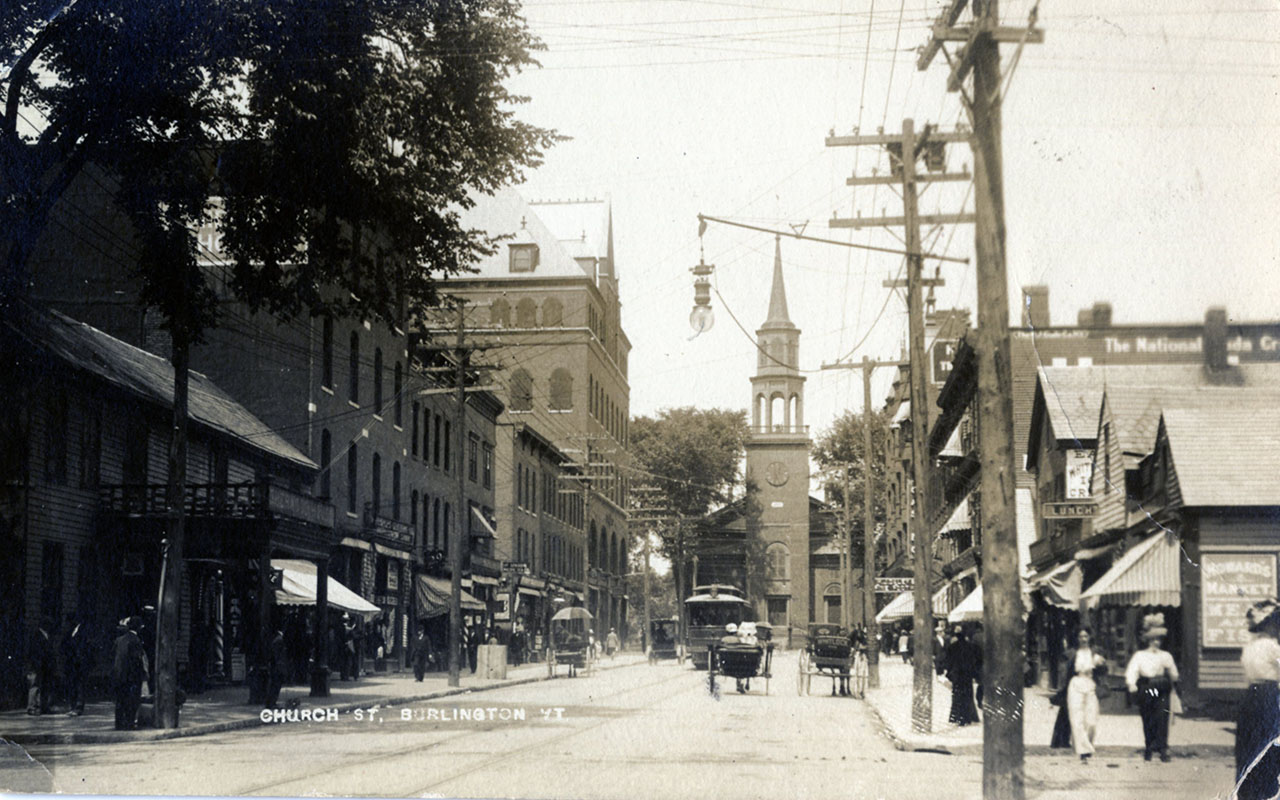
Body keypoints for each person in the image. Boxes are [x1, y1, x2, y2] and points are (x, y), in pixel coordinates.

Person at [1235, 598, 1280, 799]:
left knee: (1249, 744)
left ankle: (1247, 791)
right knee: (1268, 742)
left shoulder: (1250, 647)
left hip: (1251, 695)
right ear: (1270, 624)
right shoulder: (1272, 647)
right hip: (1269, 696)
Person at [1125, 613, 1179, 762]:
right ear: (1148, 640)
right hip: (1147, 686)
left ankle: (1163, 749)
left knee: (1162, 716)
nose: (1157, 642)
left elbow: (1174, 674)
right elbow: (1132, 670)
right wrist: (1131, 684)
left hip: (1161, 686)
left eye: (1159, 639)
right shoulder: (1140, 655)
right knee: (1148, 717)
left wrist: (1171, 673)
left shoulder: (1165, 656)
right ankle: (1149, 747)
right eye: (1154, 639)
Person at [1058, 627, 1108, 762]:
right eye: (1081, 636)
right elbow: (1064, 670)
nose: (1084, 639)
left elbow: (1104, 671)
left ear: (1090, 637)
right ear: (1077, 638)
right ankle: (1083, 751)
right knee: (1076, 718)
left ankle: (1087, 744)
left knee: (1091, 719)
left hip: (1090, 683)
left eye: (1086, 636)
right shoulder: (1071, 653)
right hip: (1076, 683)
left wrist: (1101, 663)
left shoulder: (1096, 652)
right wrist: (1061, 686)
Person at [940, 626, 981, 726]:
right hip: (967, 675)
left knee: (957, 696)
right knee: (968, 695)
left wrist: (949, 673)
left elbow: (948, 661)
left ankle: (958, 717)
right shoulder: (972, 647)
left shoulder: (952, 647)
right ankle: (969, 716)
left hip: (957, 675)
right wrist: (975, 673)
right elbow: (978, 660)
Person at [112, 617, 147, 730]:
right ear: (138, 627)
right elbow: (137, 660)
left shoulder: (119, 640)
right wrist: (142, 674)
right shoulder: (136, 641)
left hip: (118, 675)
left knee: (120, 701)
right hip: (131, 677)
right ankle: (129, 723)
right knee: (132, 701)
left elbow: (113, 656)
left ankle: (119, 723)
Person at [25, 617, 56, 715]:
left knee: (46, 686)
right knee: (35, 686)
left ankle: (44, 706)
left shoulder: (48, 636)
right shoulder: (36, 636)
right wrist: (36, 664)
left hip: (46, 666)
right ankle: (32, 707)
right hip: (37, 666)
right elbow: (33, 652)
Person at [61, 613, 88, 716]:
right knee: (72, 685)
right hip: (71, 664)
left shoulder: (84, 631)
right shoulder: (69, 633)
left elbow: (84, 648)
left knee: (80, 686)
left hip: (80, 664)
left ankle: (78, 707)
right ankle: (72, 706)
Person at [264, 624, 287, 709]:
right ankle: (272, 702)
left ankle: (271, 702)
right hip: (277, 667)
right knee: (276, 685)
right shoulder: (279, 640)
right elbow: (278, 656)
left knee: (274, 685)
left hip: (275, 666)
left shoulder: (276, 640)